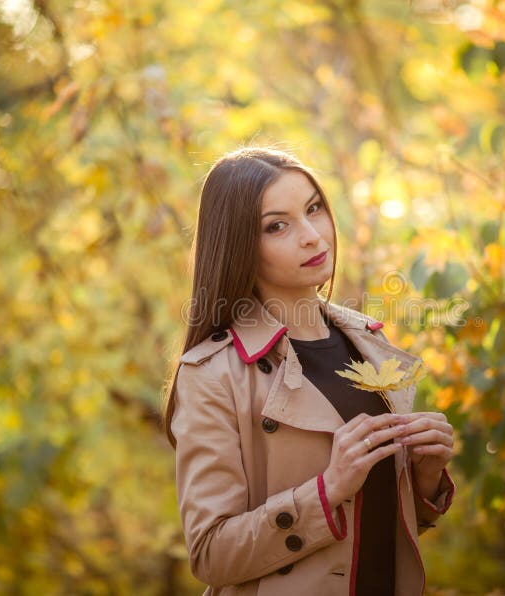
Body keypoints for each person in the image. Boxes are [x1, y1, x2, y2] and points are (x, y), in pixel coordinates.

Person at [163, 147, 455, 596]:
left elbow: (376, 520)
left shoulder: (370, 343)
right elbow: (210, 554)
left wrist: (425, 477)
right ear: (240, 245)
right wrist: (326, 490)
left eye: (313, 209)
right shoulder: (212, 374)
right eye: (277, 225)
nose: (312, 236)